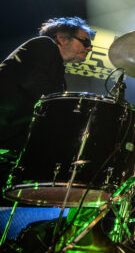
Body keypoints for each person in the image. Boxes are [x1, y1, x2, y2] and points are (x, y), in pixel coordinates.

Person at [0, 17, 94, 156]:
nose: (89, 48)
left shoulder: (58, 70)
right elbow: (37, 86)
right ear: (61, 38)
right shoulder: (44, 44)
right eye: (85, 41)